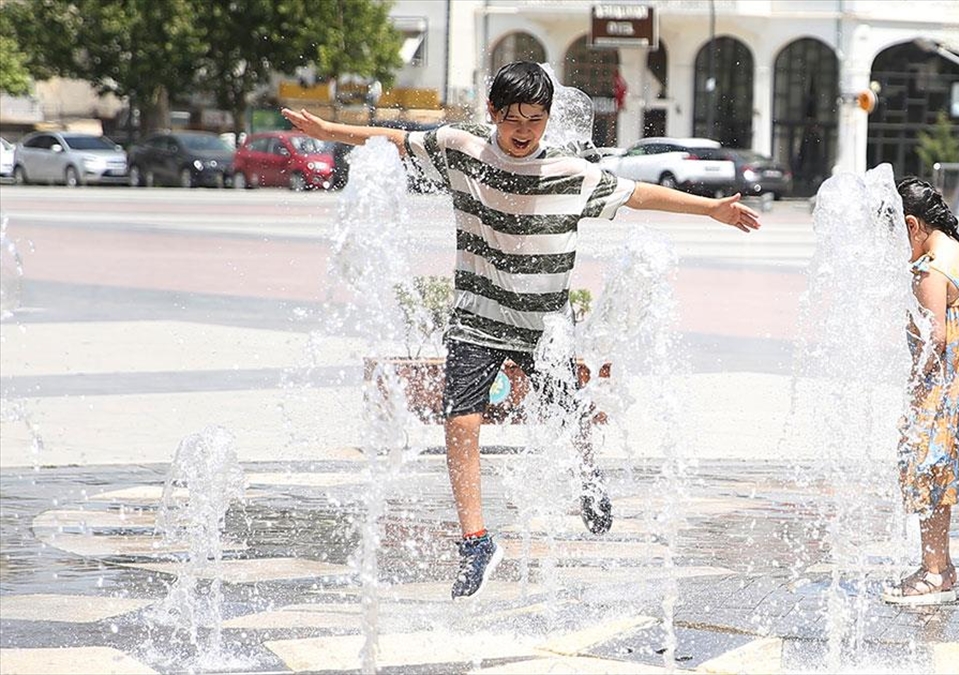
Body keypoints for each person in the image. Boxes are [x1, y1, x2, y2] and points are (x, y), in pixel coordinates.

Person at [281, 61, 760, 599]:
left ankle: (585, 477)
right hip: (477, 319)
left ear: (549, 118)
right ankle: (476, 542)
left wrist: (712, 210)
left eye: (536, 119)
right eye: (513, 119)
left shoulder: (571, 174)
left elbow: (639, 195)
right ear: (492, 113)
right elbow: (396, 139)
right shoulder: (461, 149)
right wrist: (329, 130)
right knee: (460, 423)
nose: (524, 131)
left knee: (568, 414)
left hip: (543, 328)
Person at [883, 176, 959, 605]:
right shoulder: (957, 250)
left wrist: (916, 394)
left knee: (927, 477)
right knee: (937, 480)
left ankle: (934, 573)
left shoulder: (930, 269)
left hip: (941, 391)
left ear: (912, 225)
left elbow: (935, 340)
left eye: (894, 235)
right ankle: (941, 566)